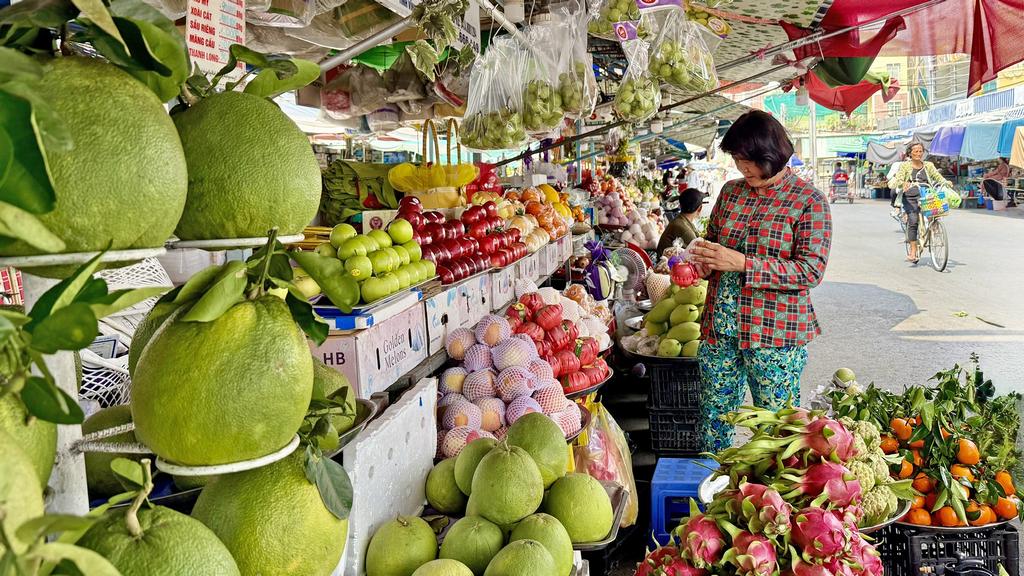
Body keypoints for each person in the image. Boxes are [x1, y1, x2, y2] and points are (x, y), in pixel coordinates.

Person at [688, 110, 833, 452]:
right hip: (720, 329)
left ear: (773, 155)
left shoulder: (809, 202)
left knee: (775, 426)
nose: (743, 168)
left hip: (774, 335)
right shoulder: (730, 193)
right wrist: (703, 265)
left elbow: (810, 270)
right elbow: (714, 247)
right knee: (714, 417)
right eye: (738, 159)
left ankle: (769, 499)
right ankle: (717, 487)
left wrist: (743, 263)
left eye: (750, 160)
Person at [887, 142, 952, 263]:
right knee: (913, 221)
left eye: (920, 151)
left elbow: (937, 176)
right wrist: (904, 183)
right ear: (910, 153)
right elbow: (900, 179)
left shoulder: (929, 165)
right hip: (910, 197)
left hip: (927, 194)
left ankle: (933, 229)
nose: (918, 153)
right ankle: (912, 251)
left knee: (936, 214)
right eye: (915, 151)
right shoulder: (905, 166)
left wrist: (945, 182)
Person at [657, 188, 704, 255]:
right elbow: (700, 252)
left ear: (680, 205)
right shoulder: (684, 229)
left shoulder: (681, 220)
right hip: (666, 264)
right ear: (700, 208)